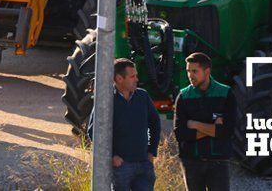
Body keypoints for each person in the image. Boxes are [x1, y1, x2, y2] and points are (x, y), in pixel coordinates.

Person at [89, 59, 159, 191]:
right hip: (121, 166)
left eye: (136, 75)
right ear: (119, 78)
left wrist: (151, 151)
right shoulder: (106, 100)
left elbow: (155, 123)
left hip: (144, 163)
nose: (137, 79)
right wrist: (112, 156)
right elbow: (93, 131)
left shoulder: (142, 96)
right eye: (132, 76)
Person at [174, 52, 235, 191]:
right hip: (191, 161)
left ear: (207, 71)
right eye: (188, 71)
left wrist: (194, 124)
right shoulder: (183, 96)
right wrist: (213, 129)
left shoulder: (226, 94)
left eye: (194, 71)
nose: (190, 75)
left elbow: (227, 131)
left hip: (218, 161)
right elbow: (181, 134)